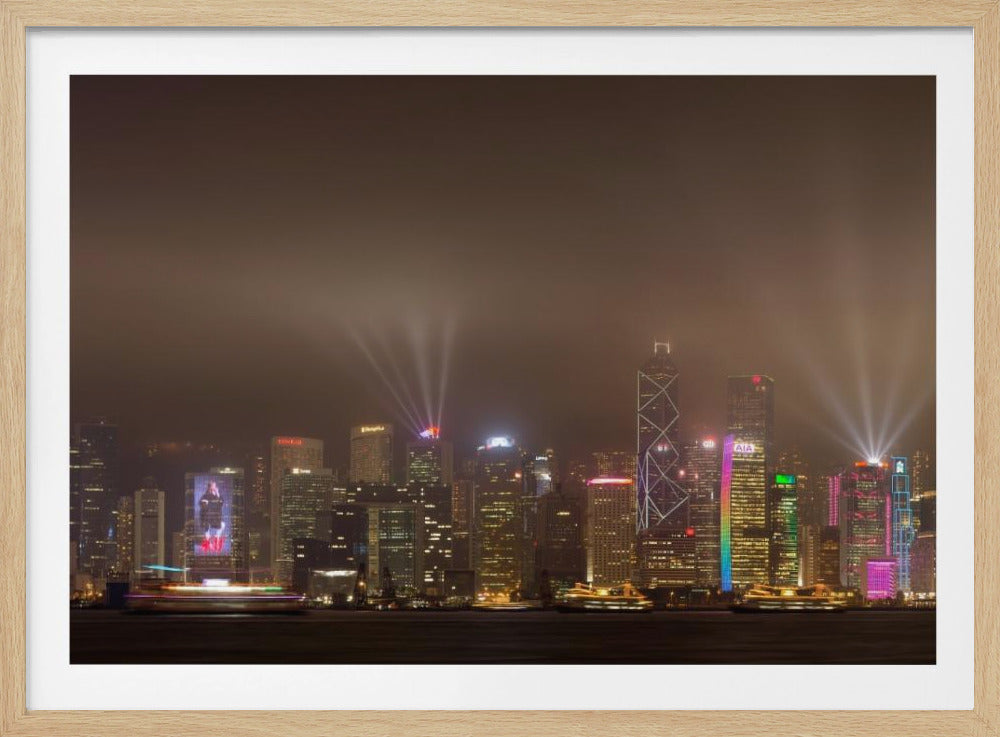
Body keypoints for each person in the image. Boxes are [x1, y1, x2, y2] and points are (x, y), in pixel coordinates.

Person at [198, 480, 226, 553]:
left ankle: (216, 538)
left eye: (215, 486)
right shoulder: (205, 495)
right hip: (207, 516)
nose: (215, 487)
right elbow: (201, 503)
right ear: (210, 487)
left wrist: (217, 493)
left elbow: (221, 503)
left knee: (222, 524)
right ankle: (208, 542)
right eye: (213, 486)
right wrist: (205, 503)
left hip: (215, 517)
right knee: (207, 527)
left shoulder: (217, 495)